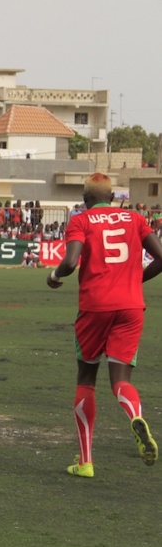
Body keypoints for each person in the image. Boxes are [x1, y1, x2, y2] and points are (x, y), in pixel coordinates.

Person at [47, 172, 162, 478]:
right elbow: (161, 257)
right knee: (121, 379)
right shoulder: (135, 219)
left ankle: (85, 462)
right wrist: (135, 279)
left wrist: (54, 277)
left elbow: (70, 263)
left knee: (86, 379)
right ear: (112, 197)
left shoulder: (81, 221)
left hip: (95, 307)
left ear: (85, 200)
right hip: (131, 307)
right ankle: (135, 416)